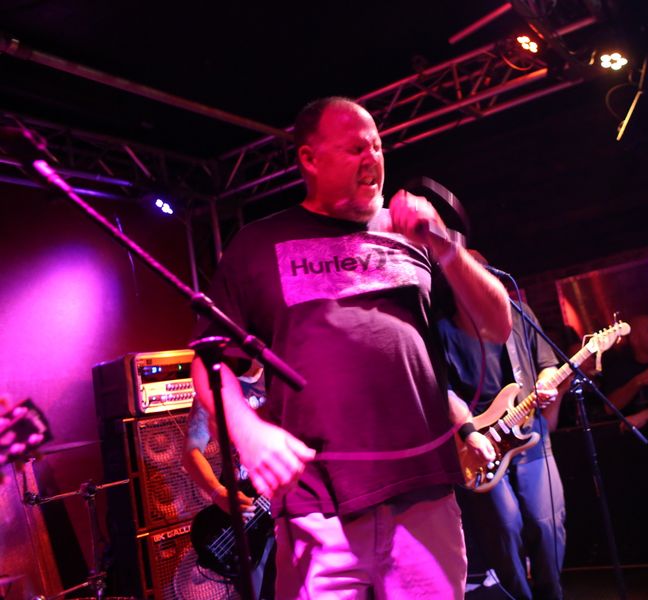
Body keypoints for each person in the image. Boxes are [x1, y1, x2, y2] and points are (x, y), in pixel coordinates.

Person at [190, 97, 512, 599]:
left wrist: (445, 244)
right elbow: (209, 362)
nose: (373, 159)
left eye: (377, 147)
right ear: (310, 159)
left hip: (423, 493)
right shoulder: (257, 245)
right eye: (356, 148)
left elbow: (497, 324)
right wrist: (247, 430)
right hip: (318, 507)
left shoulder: (415, 238)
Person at [438, 268, 565, 600]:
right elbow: (443, 390)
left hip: (531, 434)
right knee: (504, 530)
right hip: (481, 441)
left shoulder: (519, 313)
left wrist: (546, 385)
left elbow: (547, 365)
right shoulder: (443, 327)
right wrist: (469, 432)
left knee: (546, 524)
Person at [182, 363, 275, 599]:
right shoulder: (215, 386)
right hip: (248, 515)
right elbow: (191, 452)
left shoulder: (281, 377)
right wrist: (218, 492)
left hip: (292, 508)